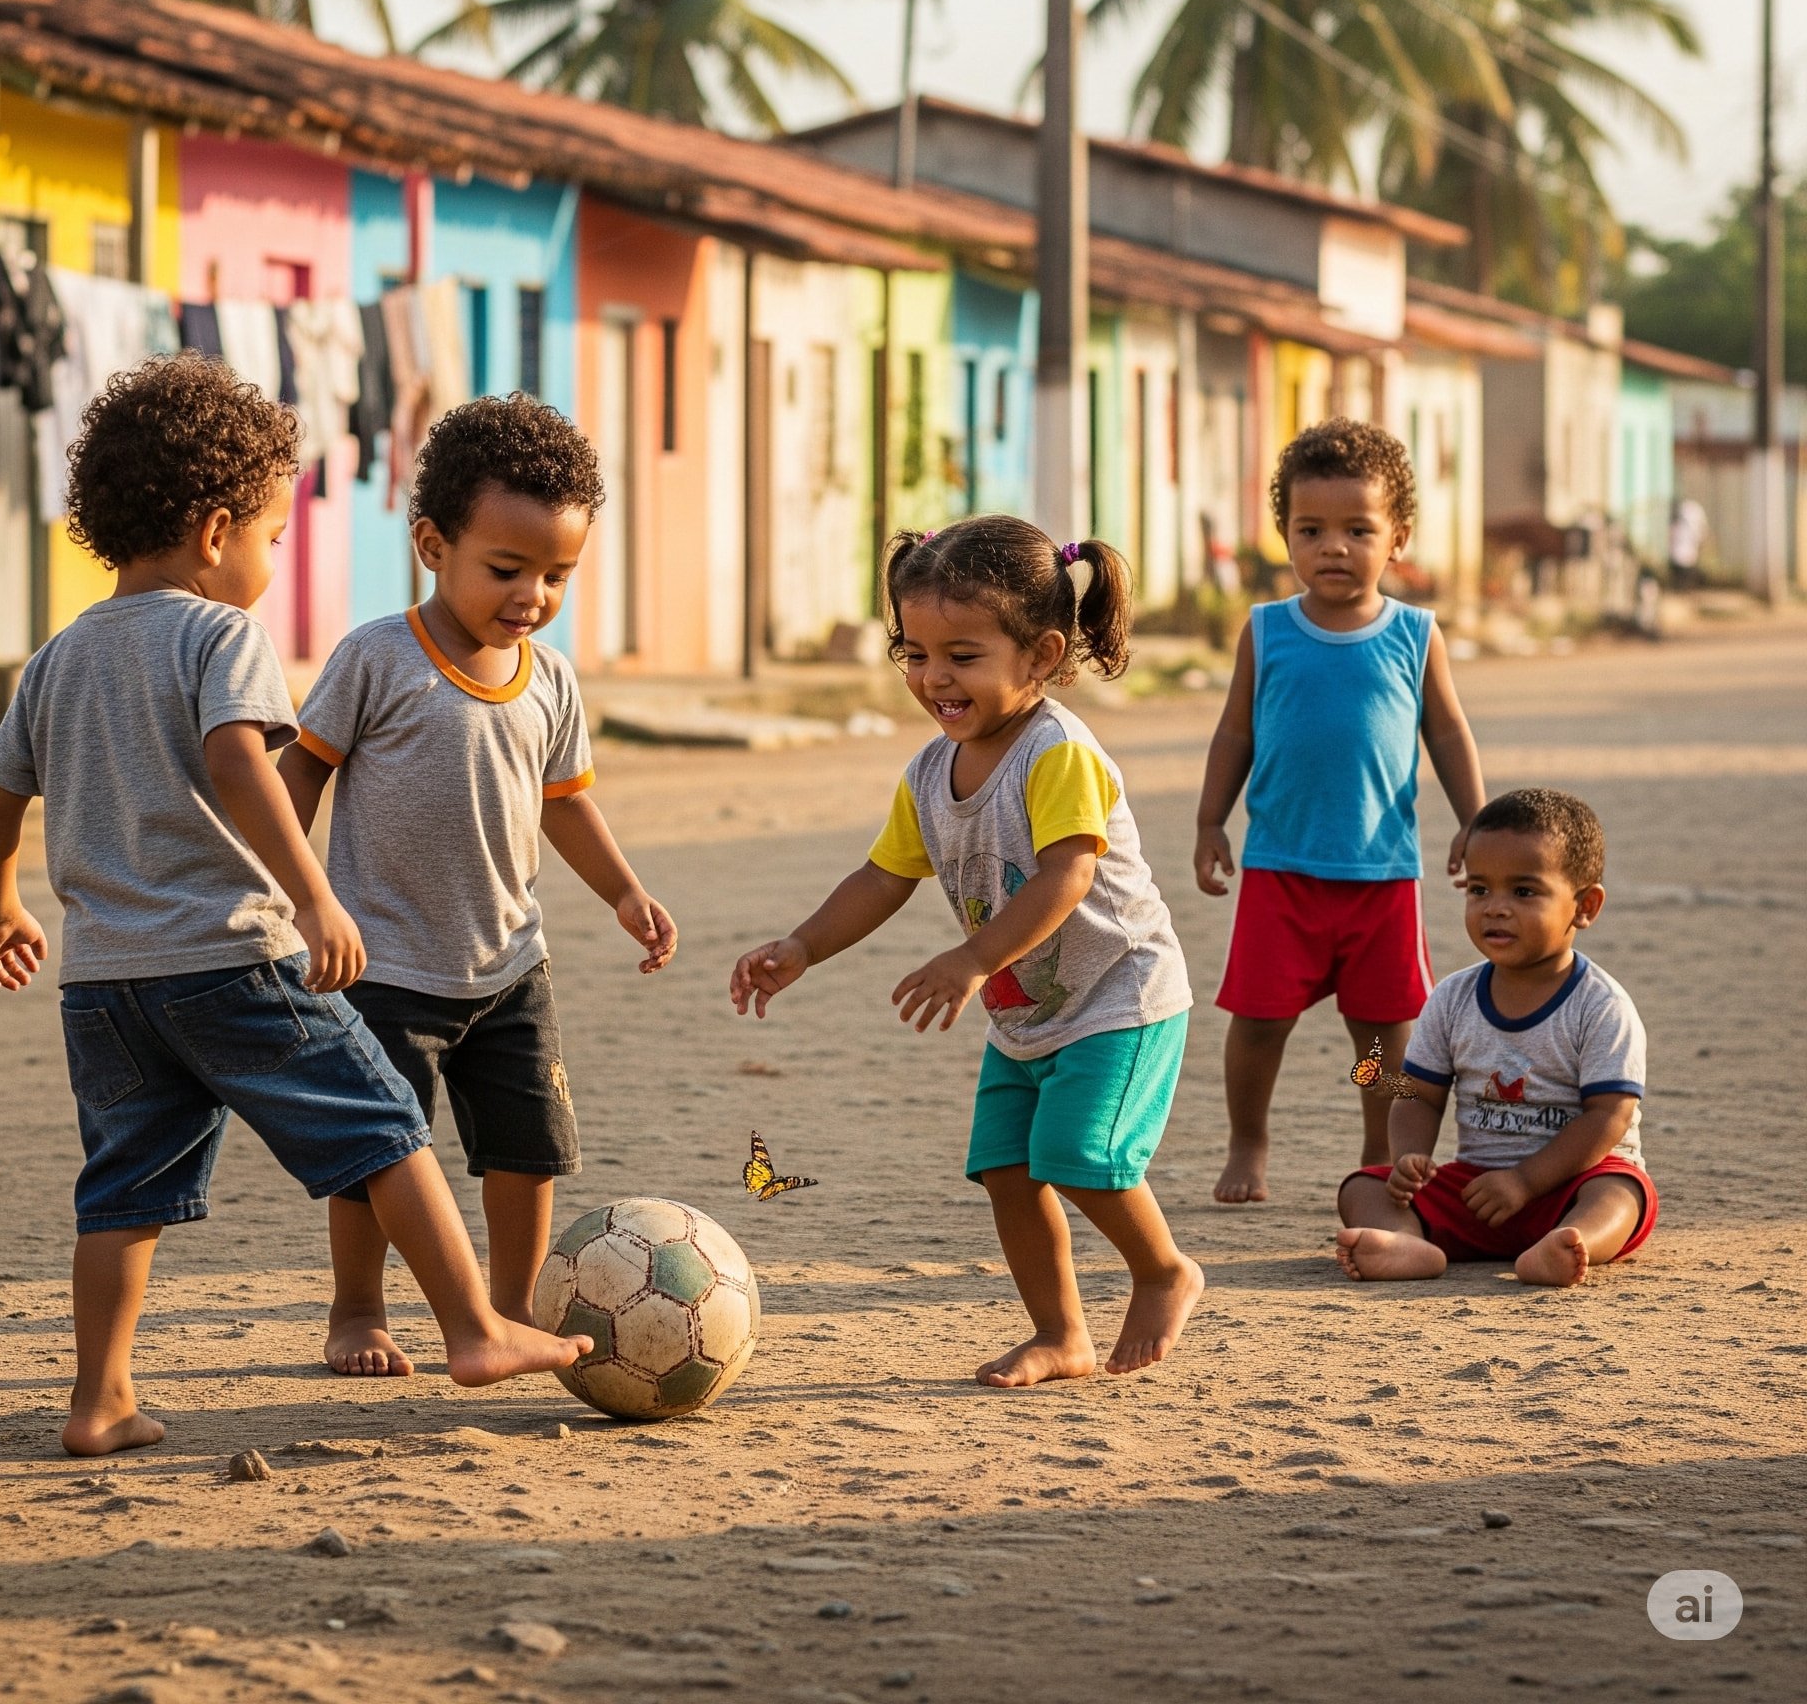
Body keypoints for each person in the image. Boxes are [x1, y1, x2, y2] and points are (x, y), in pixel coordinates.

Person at [0, 356, 588, 1457]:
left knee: (122, 1191)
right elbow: (244, 762)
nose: (270, 558)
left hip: (102, 980)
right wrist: (311, 894)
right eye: (271, 535)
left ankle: (99, 1396)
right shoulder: (219, 635)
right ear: (215, 532)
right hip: (227, 956)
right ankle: (475, 1326)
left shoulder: (55, 659)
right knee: (388, 1129)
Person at [729, 517, 1201, 1388]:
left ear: (1042, 654)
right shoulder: (927, 773)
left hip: (1118, 998)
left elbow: (1065, 875)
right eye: (913, 653)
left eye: (963, 655)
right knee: (1007, 1173)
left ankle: (1163, 1269)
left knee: (1081, 1159)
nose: (933, 677)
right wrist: (801, 946)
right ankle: (1062, 1334)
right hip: (1027, 1015)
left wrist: (972, 958)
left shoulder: (1058, 754)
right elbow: (881, 877)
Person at [280, 394, 677, 1377]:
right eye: (506, 569)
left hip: (510, 961)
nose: (531, 594)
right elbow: (299, 774)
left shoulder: (550, 679)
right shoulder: (375, 658)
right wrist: (294, 894)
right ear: (431, 543)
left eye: (557, 575)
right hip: (383, 962)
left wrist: (624, 893)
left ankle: (506, 1308)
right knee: (375, 1152)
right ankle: (358, 1307)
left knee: (529, 1148)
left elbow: (565, 802)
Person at [1195, 419, 1485, 1205]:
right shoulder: (1267, 631)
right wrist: (1208, 822)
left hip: (1380, 877)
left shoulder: (1415, 636)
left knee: (1379, 1038)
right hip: (1280, 873)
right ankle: (1248, 1141)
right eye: (1310, 529)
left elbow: (1447, 730)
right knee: (1259, 1025)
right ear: (1284, 534)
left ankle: (1377, 1142)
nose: (1334, 546)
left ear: (1398, 539)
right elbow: (1236, 731)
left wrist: (1476, 820)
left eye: (1359, 529)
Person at [1334, 788, 1654, 1287]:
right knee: (1363, 1187)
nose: (1495, 908)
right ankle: (1409, 1246)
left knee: (1621, 1192)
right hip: (1479, 1191)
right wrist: (1409, 1158)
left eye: (1524, 892)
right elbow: (1417, 1094)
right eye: (1479, 889)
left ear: (1585, 906)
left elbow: (1608, 1116)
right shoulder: (1452, 998)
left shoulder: (1601, 1006)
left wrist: (1526, 1182)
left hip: (1571, 1184)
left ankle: (1570, 1246)